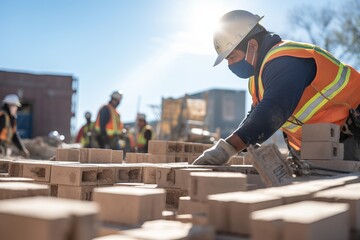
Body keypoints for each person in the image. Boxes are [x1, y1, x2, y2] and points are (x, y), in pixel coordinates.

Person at [193, 10, 360, 165]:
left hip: (354, 130)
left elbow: (272, 110)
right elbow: (255, 116)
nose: (230, 65)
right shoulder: (257, 80)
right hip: (331, 143)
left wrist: (227, 149)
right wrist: (236, 144)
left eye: (232, 57)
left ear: (252, 45)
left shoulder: (285, 59)